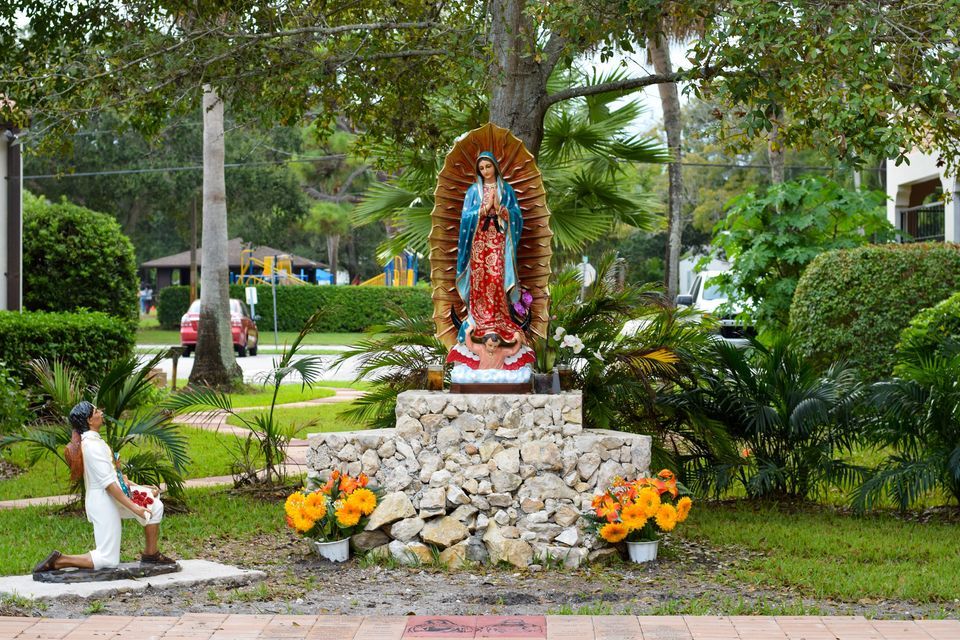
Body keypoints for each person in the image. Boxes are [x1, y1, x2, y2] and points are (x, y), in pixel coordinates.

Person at [33, 401, 175, 573]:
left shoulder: (95, 441)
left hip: (112, 495)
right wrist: (135, 508)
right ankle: (60, 561)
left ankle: (151, 554)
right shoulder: (92, 446)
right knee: (108, 559)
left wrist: (136, 485)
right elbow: (108, 485)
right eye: (96, 411)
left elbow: (111, 476)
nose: (101, 412)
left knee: (155, 505)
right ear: (89, 420)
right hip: (104, 501)